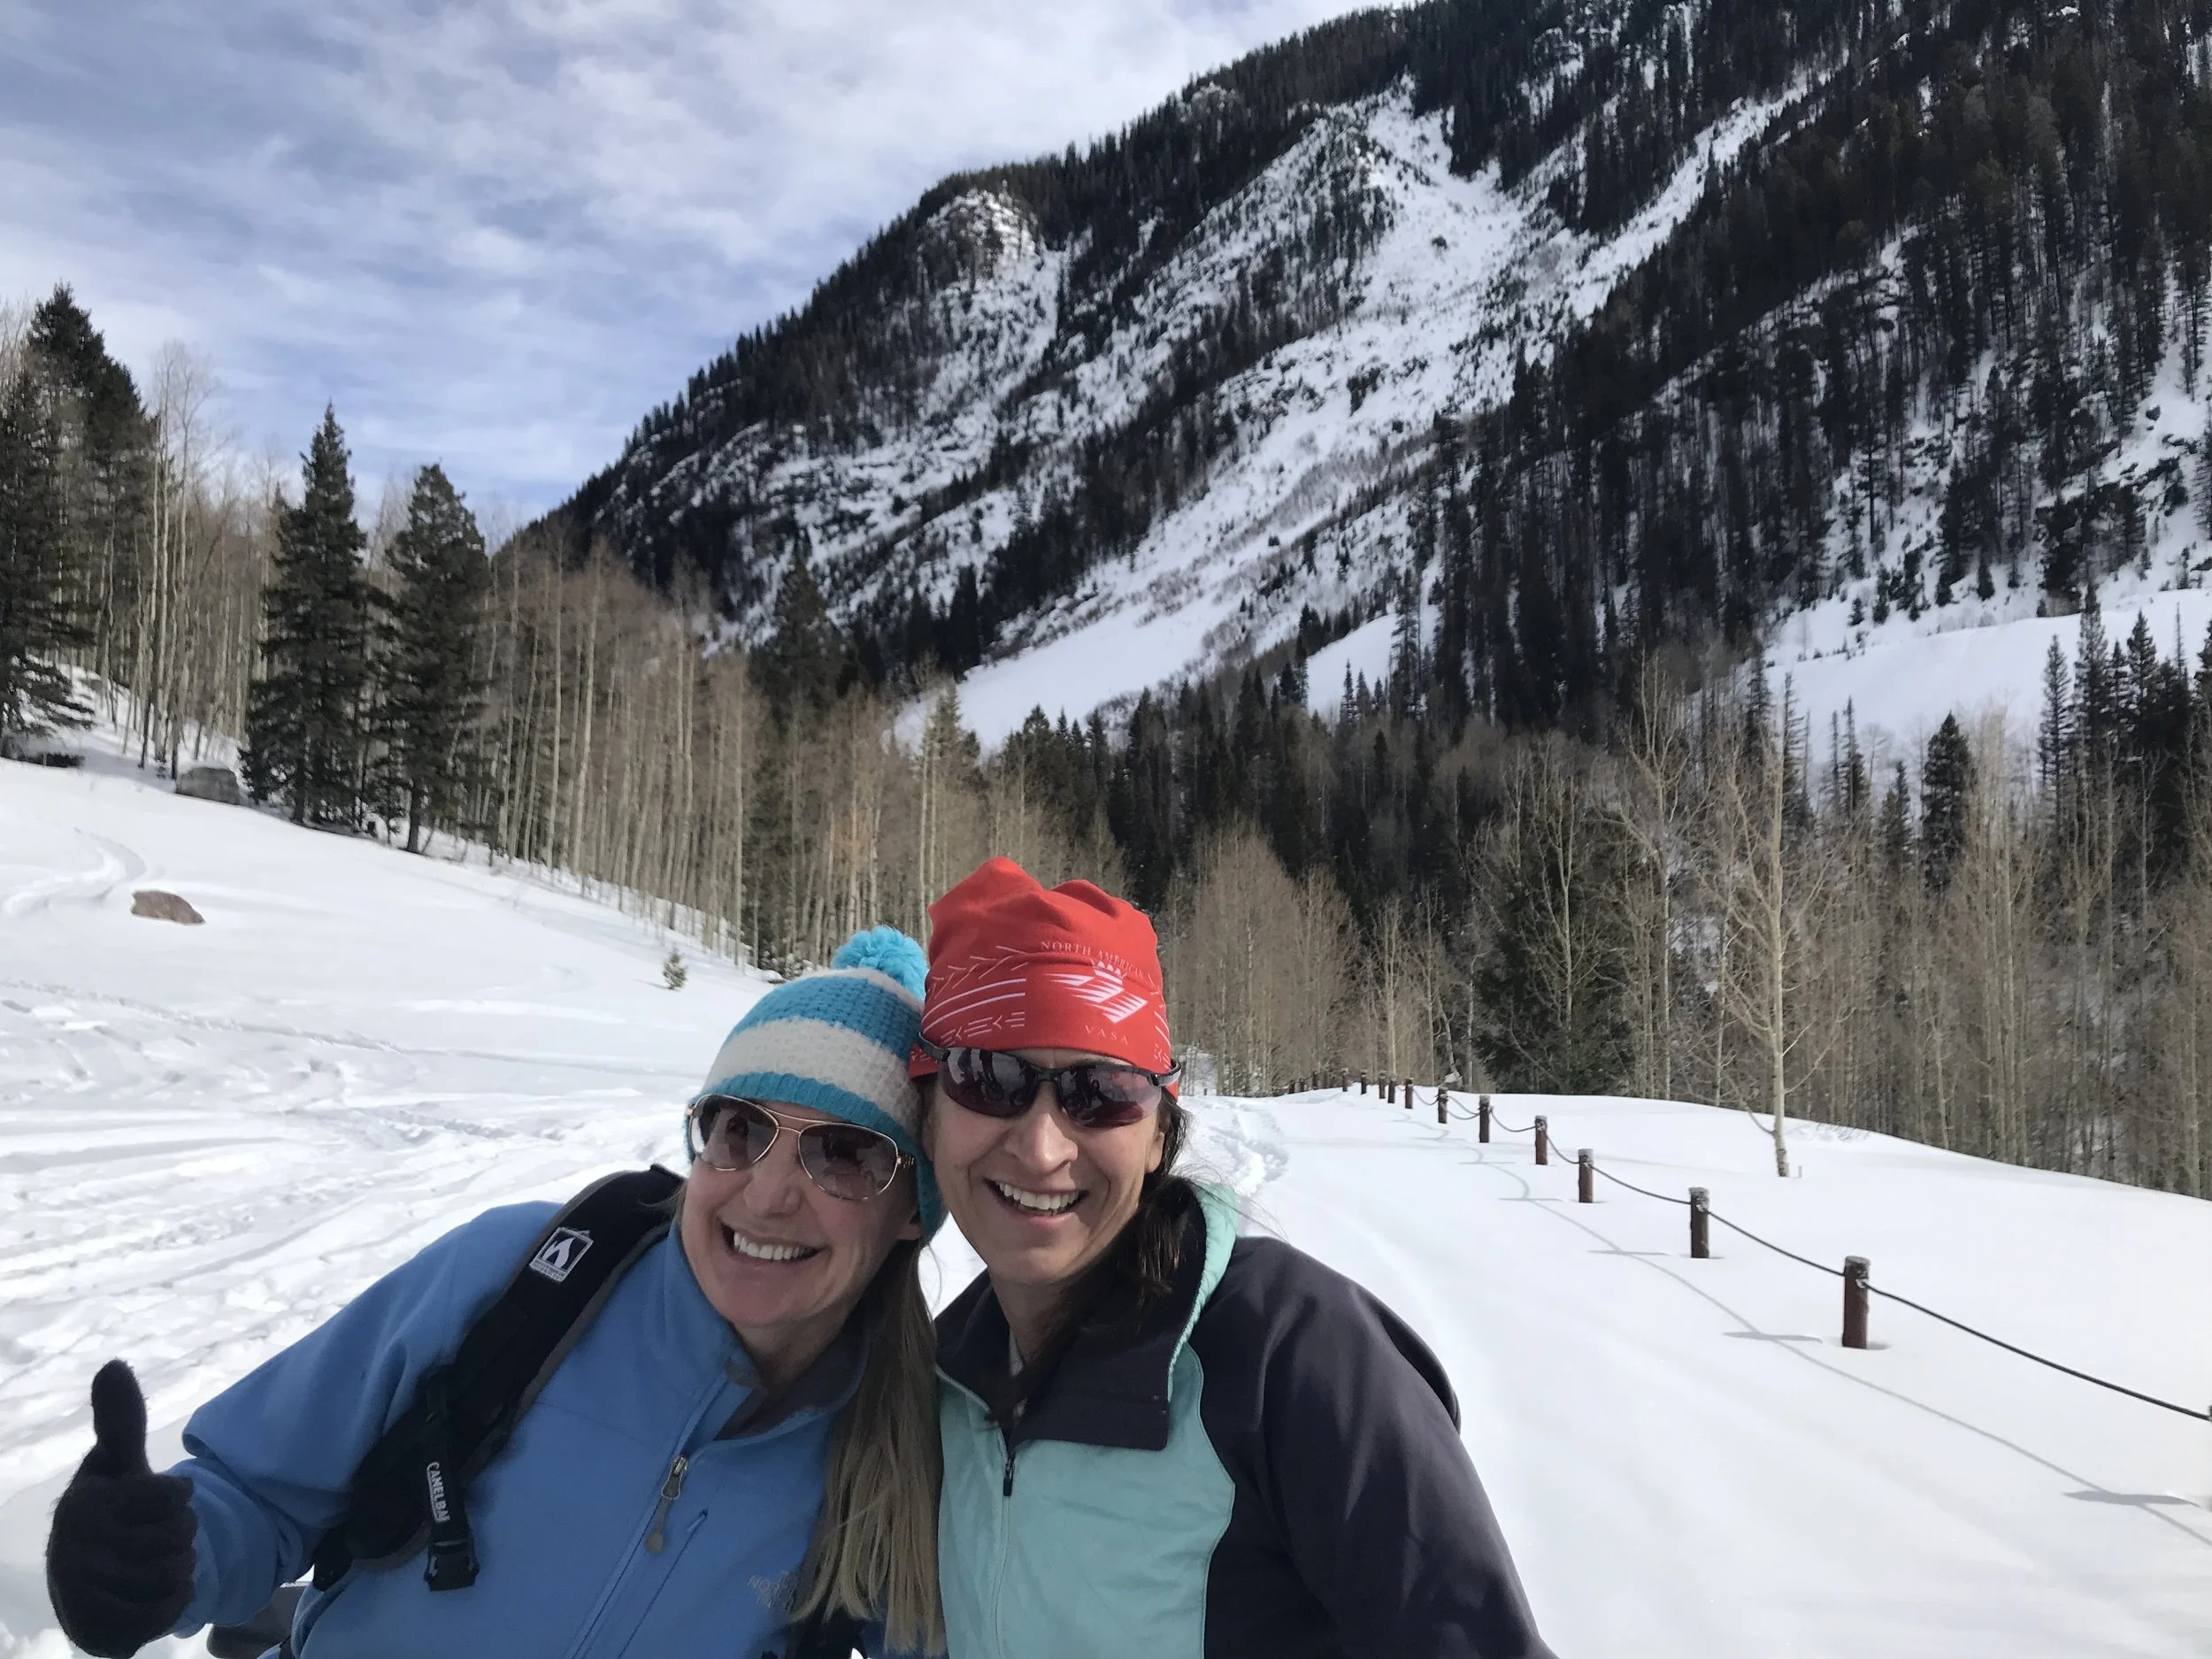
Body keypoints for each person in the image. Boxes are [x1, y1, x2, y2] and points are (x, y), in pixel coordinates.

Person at [43, 927, 946, 1659]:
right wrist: (152, 1561)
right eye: (739, 1130)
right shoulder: (527, 1273)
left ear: (913, 1208)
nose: (766, 1192)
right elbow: (261, 1489)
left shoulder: (907, 1442)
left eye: (844, 1153)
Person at [910, 858, 1556, 1659]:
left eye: (1100, 1089)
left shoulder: (1293, 1355)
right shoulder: (939, 1383)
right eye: (989, 1075)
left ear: (1157, 1134)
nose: (1042, 1146)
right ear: (930, 1112)